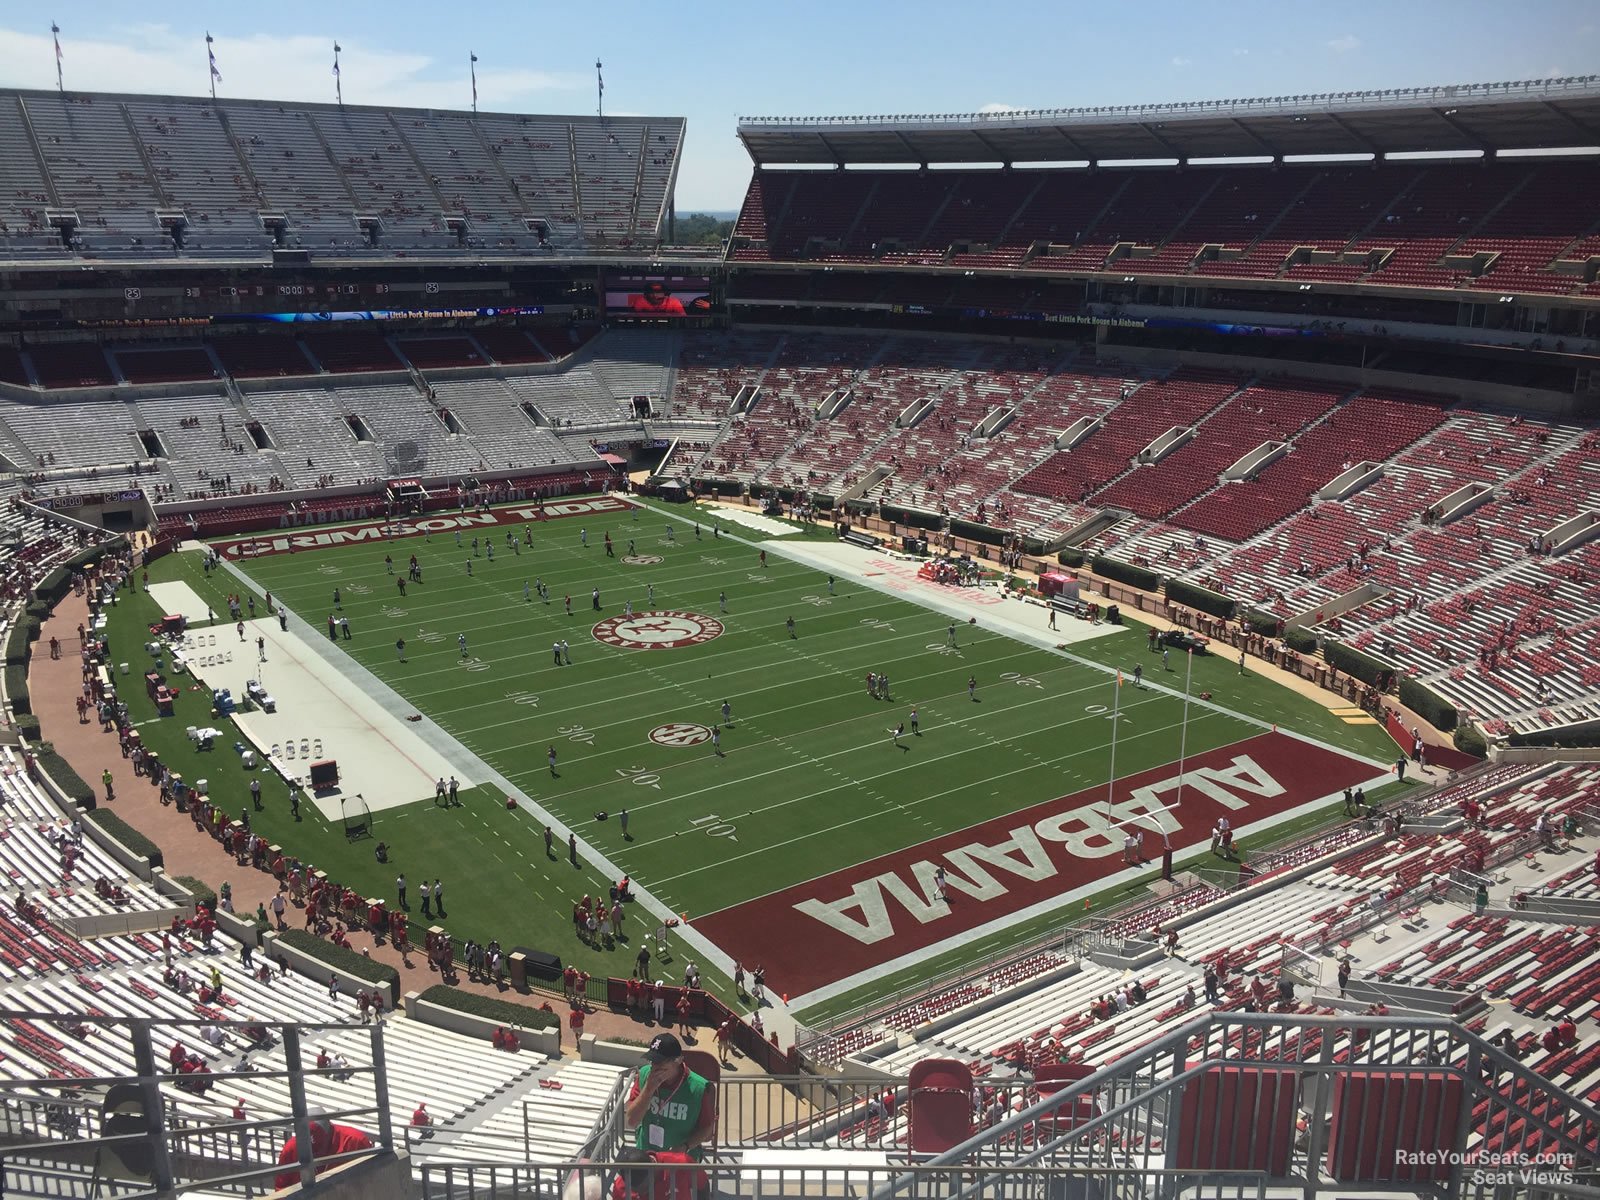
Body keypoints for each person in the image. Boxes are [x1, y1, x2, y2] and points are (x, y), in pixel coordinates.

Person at [625, 1033, 717, 1163]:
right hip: (647, 1154)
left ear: (678, 1060)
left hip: (680, 1158)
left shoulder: (699, 1088)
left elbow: (707, 1130)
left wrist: (685, 1146)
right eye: (653, 1061)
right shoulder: (645, 1074)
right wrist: (648, 1089)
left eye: (661, 1062)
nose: (655, 1067)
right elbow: (631, 1121)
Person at [273, 1113, 374, 1190]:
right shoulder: (291, 1148)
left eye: (319, 1148)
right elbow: (281, 1188)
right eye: (311, 1150)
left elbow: (372, 1180)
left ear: (330, 1133)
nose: (316, 1154)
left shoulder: (355, 1141)